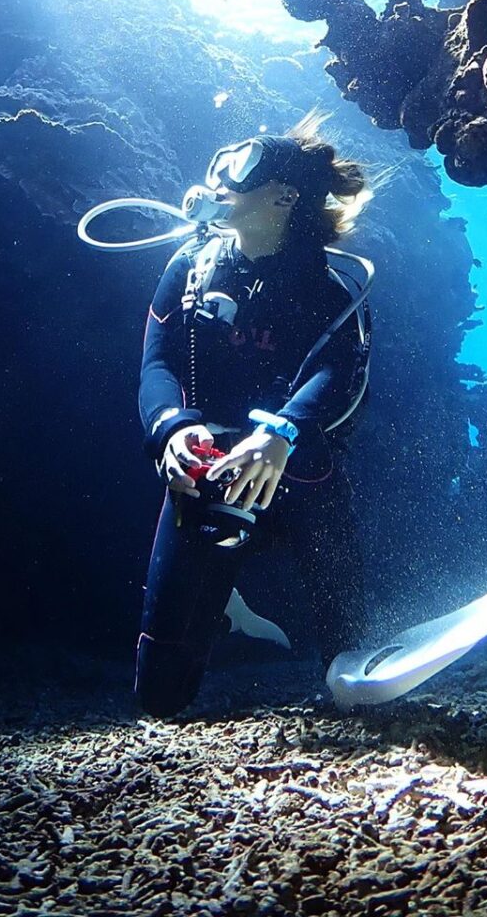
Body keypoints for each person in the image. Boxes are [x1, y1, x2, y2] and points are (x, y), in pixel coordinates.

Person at [135, 121, 376, 716]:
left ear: (284, 196)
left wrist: (282, 432)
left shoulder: (335, 287)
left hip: (300, 476)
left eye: (238, 169)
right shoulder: (190, 268)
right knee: (158, 696)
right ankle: (225, 619)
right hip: (209, 470)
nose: (216, 180)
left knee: (351, 670)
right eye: (221, 163)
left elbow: (336, 375)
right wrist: (171, 426)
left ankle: (340, 662)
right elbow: (156, 362)